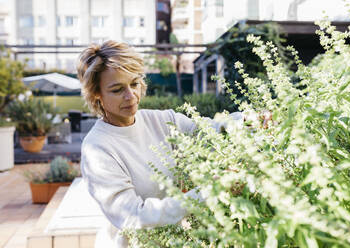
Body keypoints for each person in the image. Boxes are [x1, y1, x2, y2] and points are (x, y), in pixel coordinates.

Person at [77, 40, 239, 247]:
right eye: (117, 89)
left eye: (134, 84)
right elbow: (133, 216)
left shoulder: (161, 121)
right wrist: (206, 193)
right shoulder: (97, 148)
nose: (131, 96)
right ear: (96, 94)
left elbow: (210, 130)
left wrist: (250, 120)